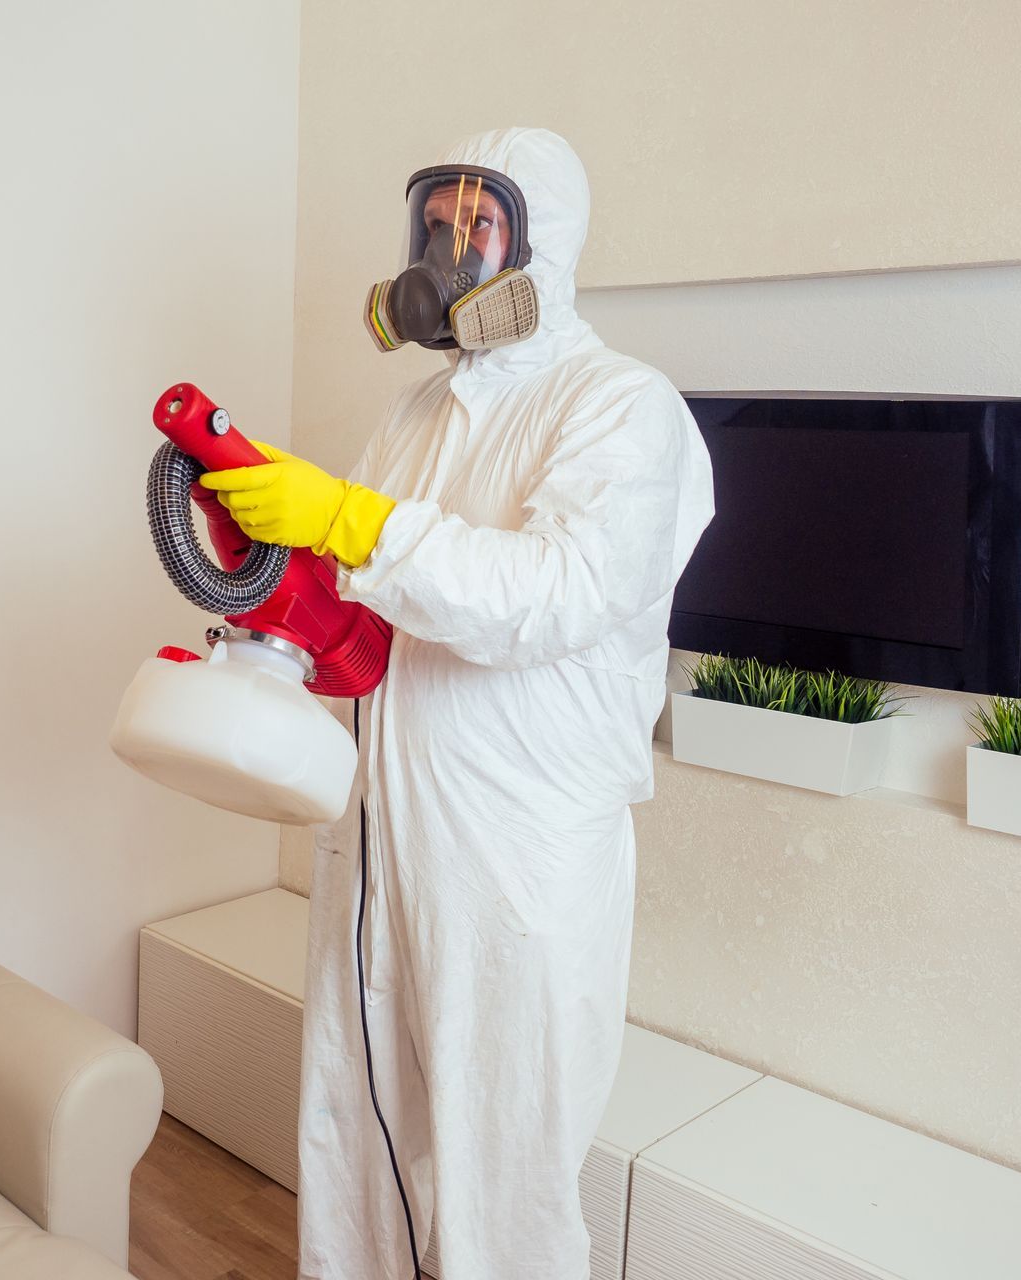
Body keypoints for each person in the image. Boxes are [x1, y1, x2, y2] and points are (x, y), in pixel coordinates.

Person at [198, 127, 715, 1279]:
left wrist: (346, 521)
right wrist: (270, 576)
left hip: (516, 865)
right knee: (356, 1137)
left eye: (479, 224)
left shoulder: (623, 407)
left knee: (501, 1190)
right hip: (383, 839)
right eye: (438, 223)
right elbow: (371, 624)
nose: (450, 246)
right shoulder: (415, 417)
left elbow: (552, 594)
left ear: (544, 245)